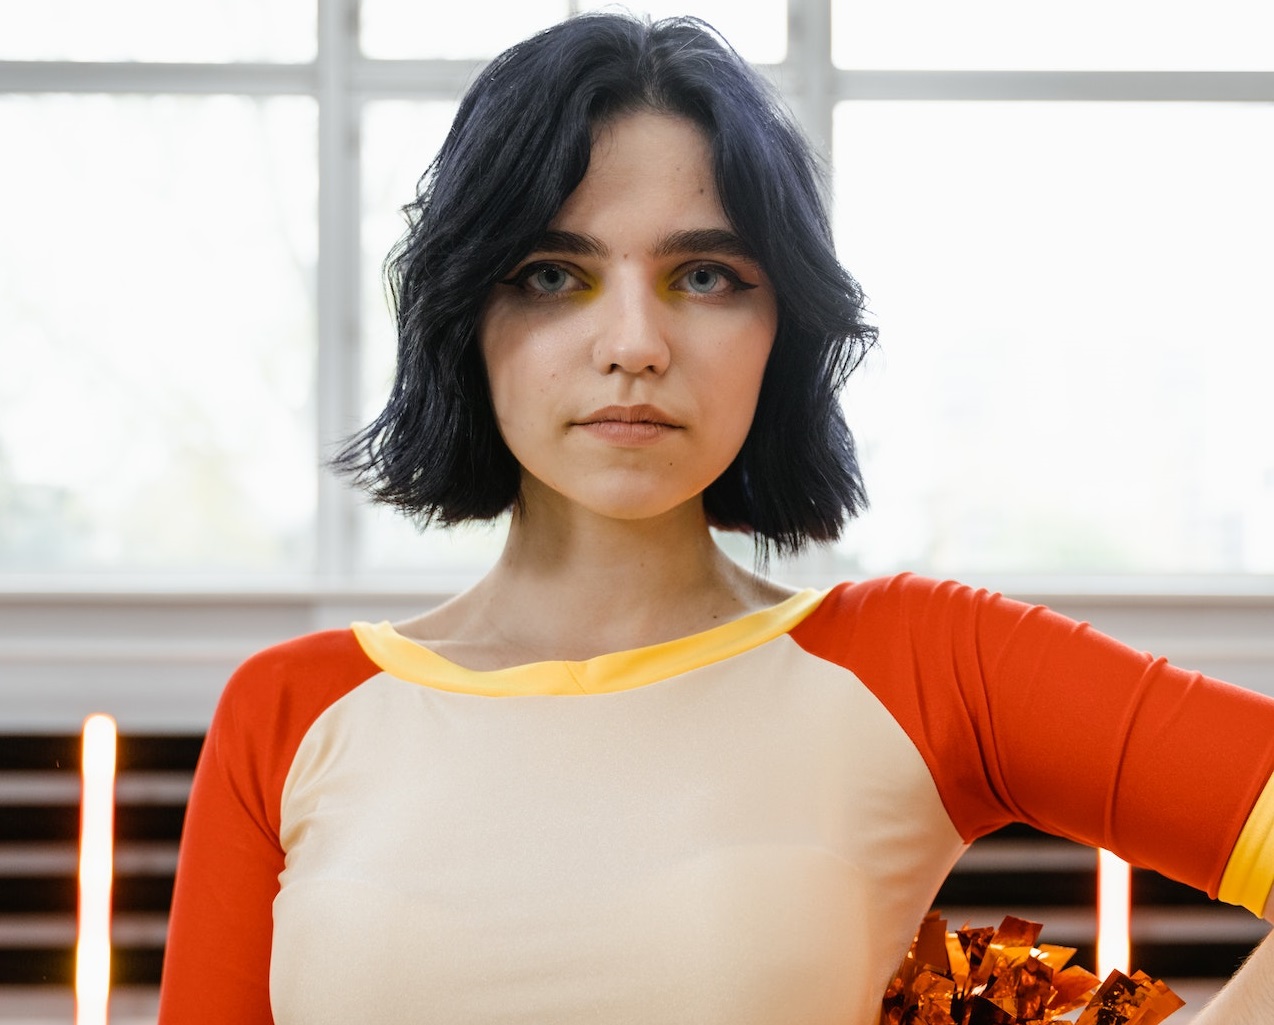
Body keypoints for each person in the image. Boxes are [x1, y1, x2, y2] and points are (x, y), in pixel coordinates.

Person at [157, 12, 1274, 1025]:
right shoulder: (289, 713)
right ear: (464, 313)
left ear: (780, 324)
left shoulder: (930, 663)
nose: (634, 342)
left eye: (704, 276)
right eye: (552, 274)